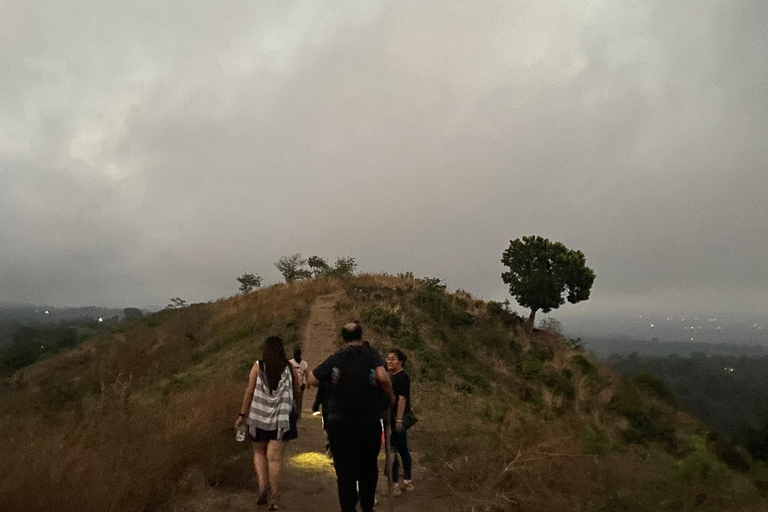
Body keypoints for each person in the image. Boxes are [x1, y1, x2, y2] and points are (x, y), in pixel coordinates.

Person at [307, 322, 396, 512]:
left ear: (343, 338)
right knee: (368, 468)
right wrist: (390, 396)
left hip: (340, 423)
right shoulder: (371, 355)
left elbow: (312, 379)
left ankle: (348, 508)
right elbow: (382, 376)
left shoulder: (337, 357)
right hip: (369, 422)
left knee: (345, 471)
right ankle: (367, 507)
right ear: (362, 336)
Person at [235, 336, 301, 511]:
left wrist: (242, 415)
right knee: (275, 458)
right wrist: (298, 410)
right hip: (280, 419)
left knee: (259, 453)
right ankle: (275, 498)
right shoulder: (289, 368)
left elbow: (249, 392)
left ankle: (262, 488)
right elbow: (297, 391)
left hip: (258, 417)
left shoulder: (258, 366)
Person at [386, 349, 414, 496]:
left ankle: (396, 484)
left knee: (393, 450)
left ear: (400, 362)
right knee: (402, 448)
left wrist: (398, 419)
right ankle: (407, 481)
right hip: (393, 418)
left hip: (396, 419)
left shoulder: (401, 378)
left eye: (394, 359)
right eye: (388, 358)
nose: (390, 361)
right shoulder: (392, 377)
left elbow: (402, 399)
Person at [289, 348, 308, 418]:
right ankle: (293, 412)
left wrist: (307, 382)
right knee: (292, 398)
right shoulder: (290, 363)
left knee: (299, 399)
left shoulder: (304, 364)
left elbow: (306, 373)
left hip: (301, 384)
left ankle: (298, 413)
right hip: (293, 383)